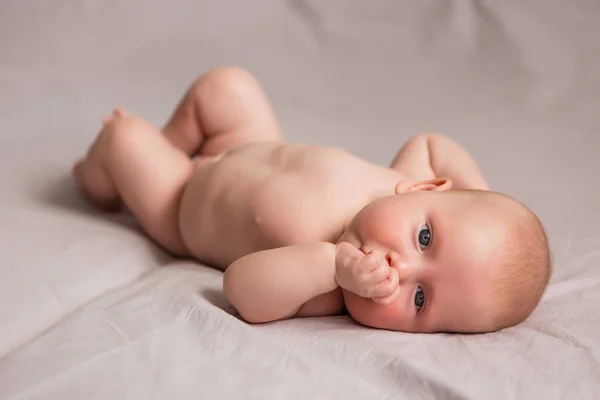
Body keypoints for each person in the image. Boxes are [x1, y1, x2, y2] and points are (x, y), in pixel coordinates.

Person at [73, 66, 551, 333]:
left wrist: (331, 267)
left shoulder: (329, 288)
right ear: (427, 190)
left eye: (420, 299)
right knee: (228, 88)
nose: (399, 269)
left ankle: (98, 180)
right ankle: (173, 141)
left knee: (124, 138)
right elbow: (433, 143)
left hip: (182, 202)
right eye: (425, 237)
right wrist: (480, 194)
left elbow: (242, 289)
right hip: (248, 144)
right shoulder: (403, 176)